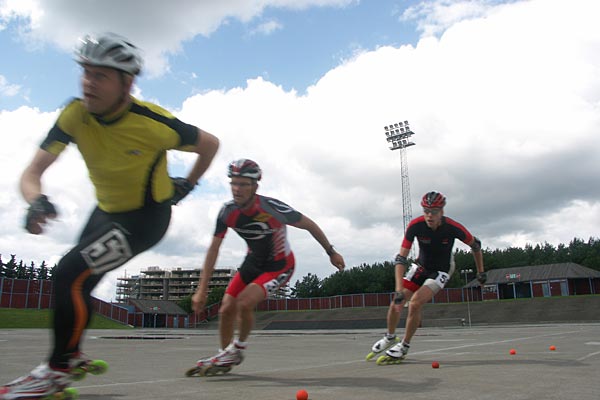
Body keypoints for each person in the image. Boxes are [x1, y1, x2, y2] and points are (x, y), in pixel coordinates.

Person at [0, 32, 219, 399]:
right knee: (77, 280)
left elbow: (209, 144)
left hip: (145, 220)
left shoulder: (153, 122)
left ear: (127, 83)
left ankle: (56, 370)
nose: (88, 83)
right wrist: (35, 201)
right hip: (105, 212)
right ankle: (70, 354)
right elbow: (31, 173)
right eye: (85, 72)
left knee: (68, 273)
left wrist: (188, 185)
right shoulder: (74, 114)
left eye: (100, 76)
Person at [190, 159, 345, 374]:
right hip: (253, 262)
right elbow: (213, 249)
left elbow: (309, 225)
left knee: (244, 303)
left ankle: (238, 350)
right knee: (225, 309)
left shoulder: (271, 208)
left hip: (279, 265)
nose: (237, 189)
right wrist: (201, 288)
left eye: (243, 184)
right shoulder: (227, 212)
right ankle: (225, 354)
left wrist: (330, 251)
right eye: (233, 183)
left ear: (255, 186)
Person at [368, 191, 486, 364]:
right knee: (397, 302)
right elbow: (401, 258)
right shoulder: (416, 226)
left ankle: (405, 345)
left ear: (442, 212)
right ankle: (390, 337)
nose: (430, 216)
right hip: (421, 267)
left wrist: (480, 272)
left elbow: (476, 245)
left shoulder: (453, 227)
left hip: (442, 270)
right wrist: (399, 289)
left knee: (415, 303)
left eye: (434, 212)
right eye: (426, 211)